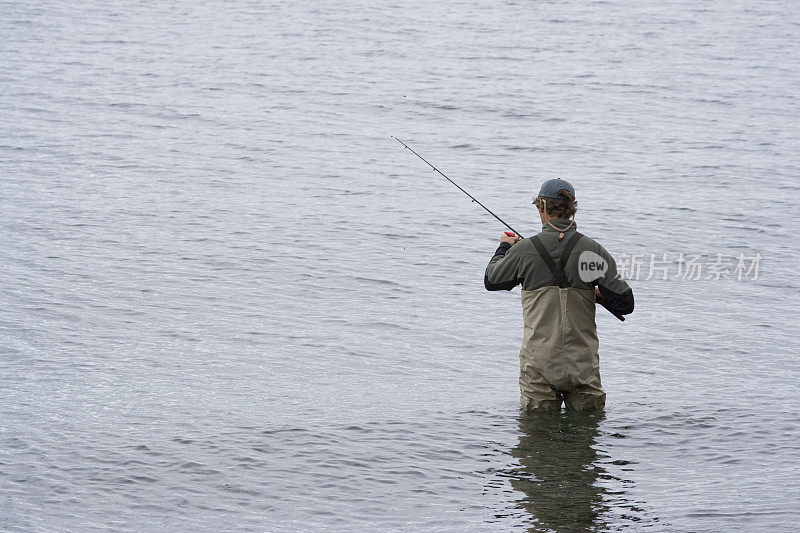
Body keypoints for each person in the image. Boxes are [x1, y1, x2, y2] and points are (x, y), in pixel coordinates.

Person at [484, 179, 634, 412]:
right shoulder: (591, 251)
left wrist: (504, 247)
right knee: (586, 437)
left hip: (539, 365)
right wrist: (595, 292)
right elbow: (625, 304)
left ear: (542, 206)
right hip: (582, 364)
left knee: (537, 437)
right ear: (572, 209)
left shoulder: (524, 250)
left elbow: (492, 280)